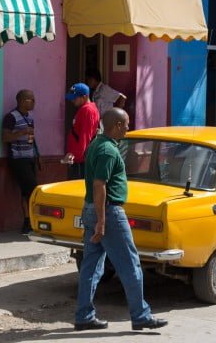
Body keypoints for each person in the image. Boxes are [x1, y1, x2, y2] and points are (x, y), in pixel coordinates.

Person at [75, 108, 168, 331]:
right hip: (108, 213)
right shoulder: (108, 150)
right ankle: (141, 316)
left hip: (93, 210)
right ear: (116, 125)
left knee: (92, 266)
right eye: (126, 124)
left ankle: (84, 316)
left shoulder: (98, 144)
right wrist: (102, 221)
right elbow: (99, 185)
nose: (128, 127)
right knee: (130, 264)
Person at [2, 90, 41, 235]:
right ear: (23, 101)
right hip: (18, 159)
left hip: (30, 157)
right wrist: (22, 132)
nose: (34, 102)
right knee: (32, 190)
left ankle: (28, 223)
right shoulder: (11, 117)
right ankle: (29, 221)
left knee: (27, 192)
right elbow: (5, 138)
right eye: (31, 99)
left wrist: (38, 155)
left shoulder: (29, 117)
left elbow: (32, 139)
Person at [62, 83, 100, 179]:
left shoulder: (87, 110)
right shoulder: (85, 109)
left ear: (84, 97)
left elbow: (85, 137)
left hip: (81, 161)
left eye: (75, 98)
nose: (72, 100)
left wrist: (76, 156)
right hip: (78, 159)